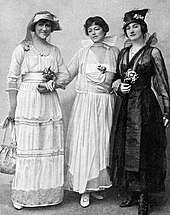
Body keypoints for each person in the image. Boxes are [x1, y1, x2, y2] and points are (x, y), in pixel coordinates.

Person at [6, 11, 69, 209]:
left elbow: (65, 75)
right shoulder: (22, 49)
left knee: (46, 144)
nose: (44, 29)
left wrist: (53, 83)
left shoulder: (55, 50)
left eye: (48, 25)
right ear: (33, 28)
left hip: (48, 101)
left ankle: (47, 195)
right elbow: (12, 79)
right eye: (40, 25)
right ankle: (23, 196)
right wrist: (13, 107)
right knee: (28, 146)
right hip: (27, 100)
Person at [109, 9, 170, 215]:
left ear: (143, 28)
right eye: (128, 27)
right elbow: (115, 77)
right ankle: (132, 192)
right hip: (125, 106)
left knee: (144, 149)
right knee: (125, 147)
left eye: (135, 26)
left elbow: (162, 82)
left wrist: (168, 110)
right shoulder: (123, 53)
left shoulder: (152, 52)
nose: (131, 30)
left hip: (144, 105)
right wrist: (118, 85)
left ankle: (144, 196)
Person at [65, 16, 119, 208]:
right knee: (85, 144)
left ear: (104, 30)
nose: (94, 32)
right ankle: (84, 189)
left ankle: (95, 185)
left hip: (105, 104)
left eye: (97, 29)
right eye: (90, 30)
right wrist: (49, 79)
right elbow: (67, 74)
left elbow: (120, 76)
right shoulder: (83, 52)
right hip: (86, 104)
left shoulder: (114, 52)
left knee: (101, 145)